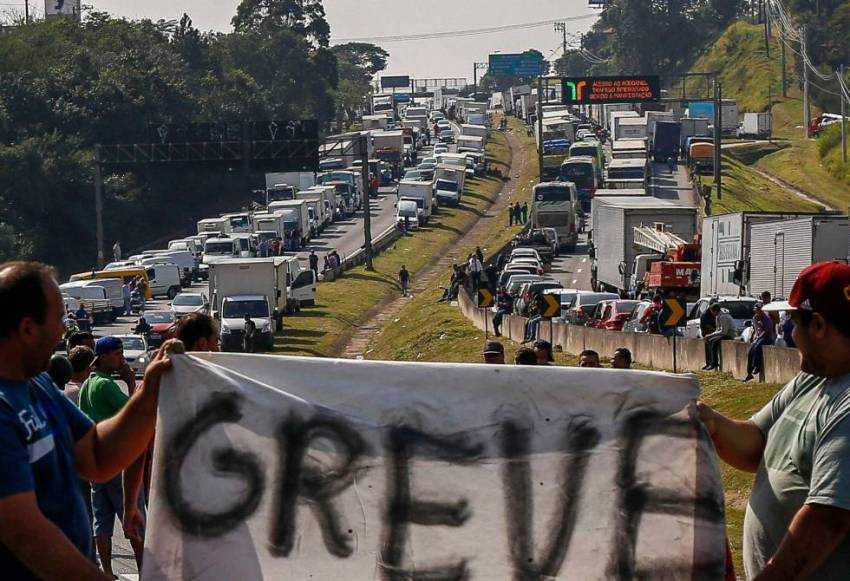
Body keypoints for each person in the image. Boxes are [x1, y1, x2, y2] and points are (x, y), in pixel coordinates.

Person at [0, 266, 176, 581]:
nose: (63, 333)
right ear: (28, 328)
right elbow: (24, 533)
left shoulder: (38, 383)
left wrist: (150, 393)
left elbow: (97, 456)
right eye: (60, 321)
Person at [698, 262, 850, 579]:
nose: (792, 334)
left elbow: (827, 518)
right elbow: (757, 442)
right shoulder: (814, 378)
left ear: (819, 326)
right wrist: (710, 422)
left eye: (794, 322)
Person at [78, 336, 146, 577]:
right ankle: (144, 571)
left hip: (99, 465)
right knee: (134, 519)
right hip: (117, 464)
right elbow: (135, 414)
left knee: (102, 522)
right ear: (103, 356)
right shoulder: (105, 385)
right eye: (116, 353)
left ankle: (107, 571)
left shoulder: (88, 383)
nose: (121, 358)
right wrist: (130, 382)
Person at [744, 302, 776, 382]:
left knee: (757, 348)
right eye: (756, 310)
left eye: (759, 310)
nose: (757, 312)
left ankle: (757, 366)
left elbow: (767, 331)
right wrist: (753, 336)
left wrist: (759, 337)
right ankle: (749, 373)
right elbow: (755, 328)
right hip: (759, 337)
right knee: (751, 351)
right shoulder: (755, 318)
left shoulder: (767, 319)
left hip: (767, 337)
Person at [703, 303, 736, 370]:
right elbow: (718, 329)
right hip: (723, 333)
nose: (711, 313)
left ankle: (714, 363)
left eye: (712, 311)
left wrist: (710, 335)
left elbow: (724, 331)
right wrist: (709, 336)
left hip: (729, 334)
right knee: (709, 340)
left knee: (714, 342)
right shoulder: (718, 316)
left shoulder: (723, 316)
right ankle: (710, 362)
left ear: (715, 311)